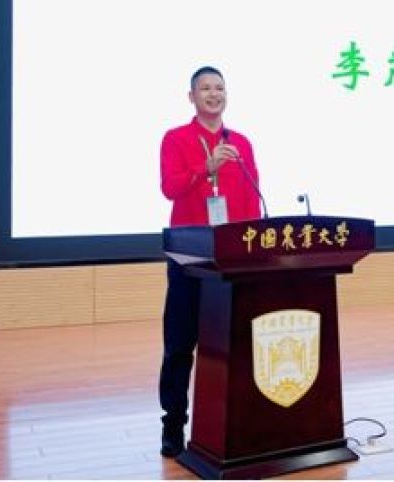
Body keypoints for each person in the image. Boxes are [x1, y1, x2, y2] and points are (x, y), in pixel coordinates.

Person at [158, 66, 261, 457]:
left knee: (234, 345)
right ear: (192, 97)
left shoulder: (242, 143)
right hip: (190, 257)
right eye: (206, 88)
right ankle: (173, 425)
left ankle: (236, 423)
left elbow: (251, 200)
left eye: (220, 88)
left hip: (232, 261)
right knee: (180, 345)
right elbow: (170, 188)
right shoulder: (176, 138)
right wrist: (207, 167)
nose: (214, 94)